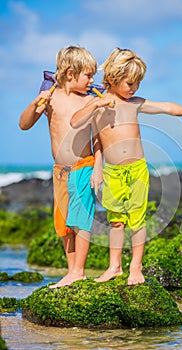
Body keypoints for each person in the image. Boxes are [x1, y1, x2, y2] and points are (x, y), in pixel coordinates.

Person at [70, 47, 182, 286]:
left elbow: (167, 107)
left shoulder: (134, 104)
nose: (134, 88)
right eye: (130, 83)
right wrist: (96, 106)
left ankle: (135, 268)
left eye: (137, 83)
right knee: (116, 221)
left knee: (137, 220)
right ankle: (114, 267)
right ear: (113, 79)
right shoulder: (98, 105)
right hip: (113, 172)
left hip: (137, 169)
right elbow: (76, 123)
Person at [19, 45, 105, 288]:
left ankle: (79, 270)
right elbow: (24, 124)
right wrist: (36, 102)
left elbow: (97, 138)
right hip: (60, 171)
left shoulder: (90, 100)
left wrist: (98, 166)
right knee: (65, 223)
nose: (92, 81)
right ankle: (71, 272)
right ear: (70, 74)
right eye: (88, 75)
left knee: (82, 220)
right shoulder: (51, 98)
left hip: (84, 166)